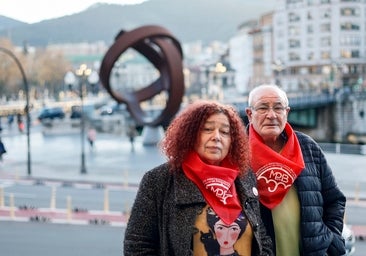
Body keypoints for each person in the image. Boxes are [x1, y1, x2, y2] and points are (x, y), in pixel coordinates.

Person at [124, 100, 273, 255]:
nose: (216, 137)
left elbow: (262, 238)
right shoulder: (159, 180)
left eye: (224, 132)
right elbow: (137, 246)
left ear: (232, 141)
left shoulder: (245, 177)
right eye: (207, 129)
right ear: (190, 135)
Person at [245, 84, 346, 255]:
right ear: (249, 114)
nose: (271, 115)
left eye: (278, 108)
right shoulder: (239, 152)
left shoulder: (307, 147)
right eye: (263, 108)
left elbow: (335, 200)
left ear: (287, 112)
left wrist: (331, 240)